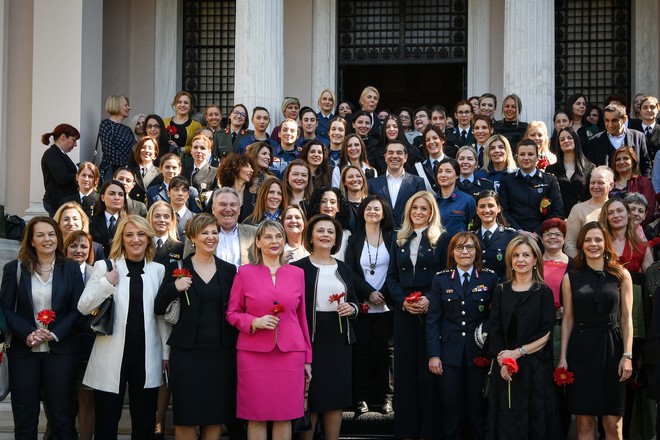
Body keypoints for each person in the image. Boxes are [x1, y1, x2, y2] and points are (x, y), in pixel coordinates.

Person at [78, 215, 169, 440]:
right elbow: (84, 306)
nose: (135, 239)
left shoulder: (158, 270)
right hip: (111, 355)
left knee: (145, 421)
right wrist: (107, 282)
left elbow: (161, 316)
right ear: (122, 239)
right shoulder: (104, 266)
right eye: (129, 235)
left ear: (148, 239)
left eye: (140, 234)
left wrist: (166, 354)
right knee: (106, 422)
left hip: (146, 355)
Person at [226, 219, 312, 440]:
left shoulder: (297, 273)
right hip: (253, 355)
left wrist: (307, 359)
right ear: (257, 242)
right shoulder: (244, 273)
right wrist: (254, 322)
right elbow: (232, 313)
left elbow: (301, 318)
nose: (274, 241)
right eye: (268, 237)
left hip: (290, 354)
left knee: (285, 415)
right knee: (256, 415)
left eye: (278, 236)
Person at [154, 213, 238, 440]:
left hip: (221, 353)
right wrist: (175, 287)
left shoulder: (229, 270)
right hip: (187, 354)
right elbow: (159, 307)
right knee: (187, 417)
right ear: (192, 237)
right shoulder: (178, 267)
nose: (211, 237)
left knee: (215, 417)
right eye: (205, 233)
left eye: (214, 232)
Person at [0, 217, 84, 439]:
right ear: (31, 241)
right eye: (40, 235)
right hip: (23, 353)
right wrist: (28, 333)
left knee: (62, 419)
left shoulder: (71, 269)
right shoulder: (14, 269)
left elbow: (77, 309)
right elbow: (6, 308)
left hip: (61, 353)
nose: (47, 239)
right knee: (25, 419)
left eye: (51, 234)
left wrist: (55, 333)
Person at [558, 221, 633, 440]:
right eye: (588, 240)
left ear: (606, 243)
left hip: (613, 349)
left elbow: (627, 318)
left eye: (598, 240)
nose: (593, 244)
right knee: (584, 424)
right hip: (581, 350)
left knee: (613, 425)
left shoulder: (622, 275)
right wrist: (563, 357)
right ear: (581, 244)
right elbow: (568, 319)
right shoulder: (570, 277)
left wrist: (627, 355)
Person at [386, 191, 449, 439]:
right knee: (405, 371)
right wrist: (402, 301)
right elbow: (391, 277)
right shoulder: (399, 238)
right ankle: (407, 431)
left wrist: (430, 299)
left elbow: (446, 275)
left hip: (431, 312)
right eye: (414, 208)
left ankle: (429, 431)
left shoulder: (442, 238)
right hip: (404, 312)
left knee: (428, 371)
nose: (418, 212)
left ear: (432, 212)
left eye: (424, 208)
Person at [291, 214, 359, 440]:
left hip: (339, 339)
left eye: (331, 232)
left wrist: (352, 308)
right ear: (310, 236)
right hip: (310, 338)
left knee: (335, 398)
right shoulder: (297, 268)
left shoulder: (345, 269)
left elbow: (355, 301)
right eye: (320, 231)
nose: (326, 235)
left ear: (336, 238)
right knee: (311, 397)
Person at [486, 235, 559, 439]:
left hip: (535, 368)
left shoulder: (544, 292)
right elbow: (495, 329)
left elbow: (546, 333)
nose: (520, 259)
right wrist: (504, 360)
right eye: (516, 255)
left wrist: (517, 353)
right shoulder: (501, 290)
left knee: (536, 422)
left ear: (535, 260)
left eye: (526, 255)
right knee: (508, 422)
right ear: (510, 260)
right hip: (505, 368)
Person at [427, 232, 498, 440]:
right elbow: (433, 320)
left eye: (469, 247)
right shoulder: (441, 279)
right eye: (459, 248)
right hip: (449, 355)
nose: (464, 252)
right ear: (452, 252)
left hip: (479, 353)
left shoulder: (489, 278)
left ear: (477, 252)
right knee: (452, 407)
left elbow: (496, 317)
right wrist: (434, 354)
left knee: (476, 408)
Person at [345, 196, 395, 415]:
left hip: (387, 304)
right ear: (362, 212)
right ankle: (360, 398)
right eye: (368, 208)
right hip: (363, 304)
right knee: (362, 352)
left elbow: (395, 270)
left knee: (388, 352)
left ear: (384, 214)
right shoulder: (354, 239)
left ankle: (388, 397)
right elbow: (351, 271)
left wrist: (382, 293)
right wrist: (369, 293)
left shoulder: (393, 238)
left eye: (377, 209)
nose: (372, 212)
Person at [62, 229, 96, 440]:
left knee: (86, 399)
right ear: (65, 248)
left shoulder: (96, 273)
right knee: (60, 399)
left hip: (88, 345)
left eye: (84, 246)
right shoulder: (55, 271)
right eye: (73, 246)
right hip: (61, 343)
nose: (78, 250)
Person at [499, 139, 564, 237]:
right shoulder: (507, 181)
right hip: (515, 235)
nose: (526, 158)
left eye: (530, 154)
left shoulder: (550, 180)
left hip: (543, 235)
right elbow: (504, 212)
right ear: (517, 157)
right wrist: (519, 231)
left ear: (537, 157)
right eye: (522, 154)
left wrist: (538, 232)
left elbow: (557, 212)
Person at [367, 141, 425, 228]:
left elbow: (421, 210)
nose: (394, 156)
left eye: (399, 153)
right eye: (390, 152)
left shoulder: (417, 182)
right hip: (381, 233)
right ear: (385, 157)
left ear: (405, 157)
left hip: (408, 232)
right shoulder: (372, 184)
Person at [585, 102, 652, 177]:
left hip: (633, 183)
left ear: (624, 119)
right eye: (607, 120)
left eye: (614, 120)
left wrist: (645, 182)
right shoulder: (595, 141)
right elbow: (591, 169)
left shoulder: (638, 137)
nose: (610, 124)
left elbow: (646, 165)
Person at [563, 166, 615, 258]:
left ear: (611, 185)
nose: (595, 186)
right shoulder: (578, 209)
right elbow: (570, 243)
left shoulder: (617, 210)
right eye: (592, 183)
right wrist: (579, 264)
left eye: (600, 183)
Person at [545, 128, 595, 217]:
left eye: (569, 138)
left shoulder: (590, 167)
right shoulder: (551, 169)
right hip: (559, 217)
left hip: (583, 216)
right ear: (559, 145)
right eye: (562, 139)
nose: (566, 141)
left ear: (576, 140)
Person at [472, 190, 517, 280]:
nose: (486, 210)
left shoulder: (511, 236)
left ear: (498, 208)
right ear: (477, 210)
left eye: (491, 206)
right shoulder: (471, 237)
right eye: (482, 206)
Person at [600, 198, 654, 274]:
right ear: (606, 217)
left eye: (620, 211)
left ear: (628, 214)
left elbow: (652, 277)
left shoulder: (642, 247)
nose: (616, 215)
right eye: (610, 213)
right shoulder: (599, 244)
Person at [40, 123, 81, 215]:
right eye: (73, 140)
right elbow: (62, 177)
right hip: (57, 202)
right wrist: (81, 175)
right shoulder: (52, 154)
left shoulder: (59, 154)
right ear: (63, 137)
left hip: (61, 201)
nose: (75, 144)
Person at [609, 146, 655, 226]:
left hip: (635, 229)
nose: (621, 162)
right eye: (618, 159)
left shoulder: (643, 182)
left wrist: (631, 229)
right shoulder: (609, 184)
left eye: (626, 158)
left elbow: (649, 210)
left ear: (633, 162)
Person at [435, 157, 476, 236]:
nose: (443, 175)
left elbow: (473, 229)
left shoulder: (467, 200)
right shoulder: (432, 201)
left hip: (458, 243)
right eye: (440, 171)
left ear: (457, 175)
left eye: (448, 171)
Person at [305, 186, 353, 254]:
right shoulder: (309, 230)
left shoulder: (346, 234)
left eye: (332, 202)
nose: (328, 205)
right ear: (317, 205)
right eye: (323, 201)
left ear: (338, 207)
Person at [98, 95, 135, 179]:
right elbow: (109, 148)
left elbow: (134, 150)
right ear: (116, 106)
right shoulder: (106, 124)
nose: (129, 108)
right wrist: (124, 166)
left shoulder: (127, 129)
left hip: (126, 172)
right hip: (111, 171)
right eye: (125, 105)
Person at [89, 180, 128, 256]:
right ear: (102, 197)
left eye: (121, 194)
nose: (117, 198)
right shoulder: (90, 222)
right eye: (112, 194)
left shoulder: (129, 223)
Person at [216, 152, 257, 222]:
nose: (251, 170)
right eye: (246, 166)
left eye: (251, 167)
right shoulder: (217, 195)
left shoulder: (255, 199)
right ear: (235, 168)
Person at [412, 125, 450, 193]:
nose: (431, 142)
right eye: (427, 140)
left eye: (435, 138)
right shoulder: (418, 168)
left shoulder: (453, 164)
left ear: (442, 140)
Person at [182, 134, 218, 199]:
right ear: (191, 150)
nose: (198, 151)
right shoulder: (183, 170)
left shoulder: (215, 172)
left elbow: (217, 196)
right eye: (195, 147)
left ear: (209, 151)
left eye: (202, 148)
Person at [129, 136, 160, 204]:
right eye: (143, 147)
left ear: (155, 153)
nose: (146, 150)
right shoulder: (130, 173)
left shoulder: (160, 173)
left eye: (150, 148)